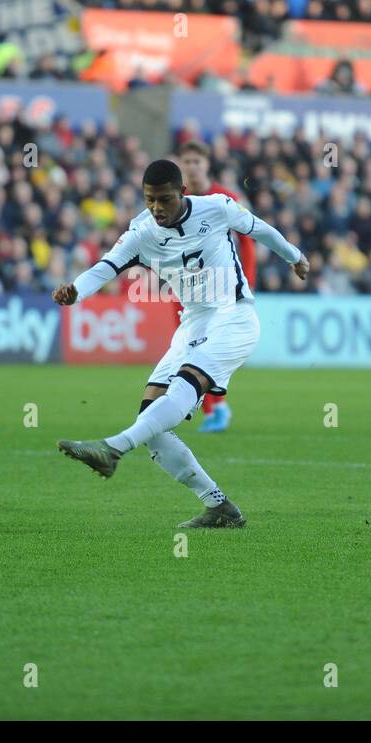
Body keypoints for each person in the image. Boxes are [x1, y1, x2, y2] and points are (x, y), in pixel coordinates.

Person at [52, 159, 309, 528]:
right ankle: (219, 507)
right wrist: (75, 292)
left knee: (183, 391)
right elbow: (107, 267)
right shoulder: (141, 232)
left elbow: (260, 229)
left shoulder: (217, 207)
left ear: (183, 193)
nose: (157, 208)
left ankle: (112, 448)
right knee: (152, 422)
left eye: (165, 200)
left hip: (233, 317)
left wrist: (295, 257)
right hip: (191, 325)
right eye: (149, 200)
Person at [177, 140, 254, 433]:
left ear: (207, 164)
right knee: (189, 347)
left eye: (198, 161)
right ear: (180, 165)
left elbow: (248, 239)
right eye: (187, 161)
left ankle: (216, 407)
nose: (193, 166)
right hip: (185, 287)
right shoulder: (175, 198)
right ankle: (212, 410)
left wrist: (247, 279)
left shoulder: (225, 197)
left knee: (214, 347)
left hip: (222, 288)